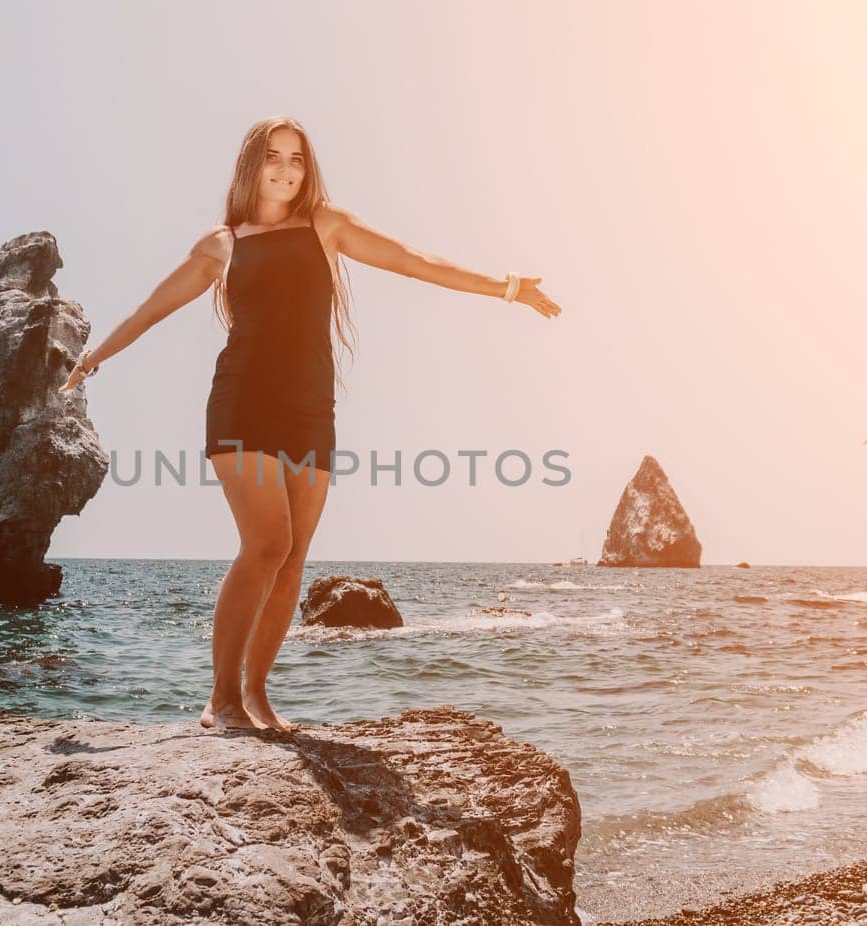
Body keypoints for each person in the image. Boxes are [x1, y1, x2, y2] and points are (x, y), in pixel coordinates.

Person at [59, 116, 562, 732]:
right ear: (251, 164)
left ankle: (256, 695)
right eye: (274, 156)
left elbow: (416, 262)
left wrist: (508, 287)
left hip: (310, 407)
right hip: (242, 399)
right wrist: (96, 356)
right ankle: (219, 700)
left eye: (298, 158)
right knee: (266, 543)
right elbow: (153, 306)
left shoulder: (328, 226)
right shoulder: (223, 243)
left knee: (294, 556)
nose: (287, 169)